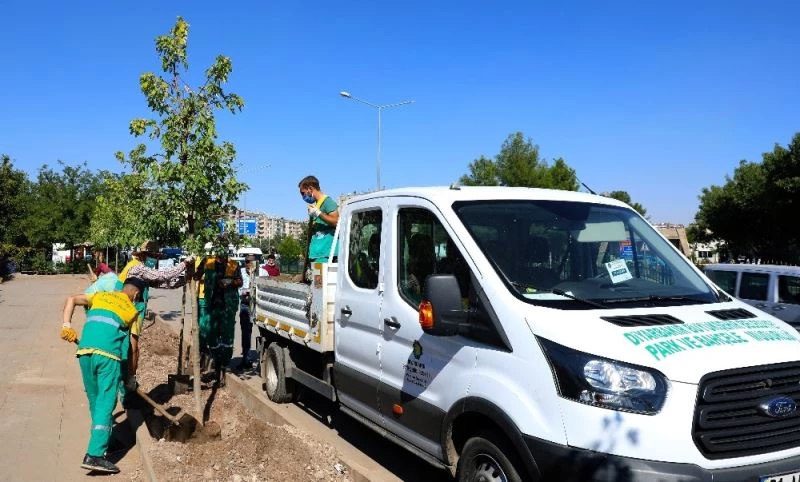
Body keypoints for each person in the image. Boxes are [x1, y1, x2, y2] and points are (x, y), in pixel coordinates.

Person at [60, 277, 146, 474]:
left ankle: (105, 441)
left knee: (95, 400)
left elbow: (71, 299)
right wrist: (130, 376)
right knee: (106, 403)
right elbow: (132, 347)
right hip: (108, 357)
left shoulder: (101, 296)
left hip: (85, 353)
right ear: (136, 294)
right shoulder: (133, 310)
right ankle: (95, 455)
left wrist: (66, 326)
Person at [117, 240, 194, 405]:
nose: (155, 260)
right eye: (152, 256)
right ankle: (127, 391)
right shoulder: (137, 267)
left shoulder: (144, 271)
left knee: (131, 349)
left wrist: (186, 278)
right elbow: (162, 275)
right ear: (144, 256)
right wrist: (184, 263)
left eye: (156, 257)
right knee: (130, 350)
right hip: (126, 312)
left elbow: (165, 283)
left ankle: (128, 387)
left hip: (132, 312)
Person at [195, 245, 243, 384]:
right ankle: (216, 360)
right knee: (211, 334)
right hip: (212, 304)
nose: (222, 255)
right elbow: (196, 275)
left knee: (227, 337)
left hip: (228, 306)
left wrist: (230, 282)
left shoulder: (234, 264)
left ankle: (223, 365)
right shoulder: (208, 262)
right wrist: (193, 268)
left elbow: (240, 281)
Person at [298, 175, 339, 263]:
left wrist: (319, 213)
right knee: (316, 276)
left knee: (321, 277)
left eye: (303, 193)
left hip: (326, 254)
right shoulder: (317, 205)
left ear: (310, 189)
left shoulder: (327, 201)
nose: (303, 197)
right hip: (318, 254)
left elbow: (336, 222)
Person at [236, 256, 255, 371]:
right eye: (247, 262)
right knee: (246, 332)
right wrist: (244, 292)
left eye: (252, 261)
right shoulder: (241, 272)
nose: (249, 264)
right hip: (245, 305)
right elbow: (238, 287)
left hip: (258, 305)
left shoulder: (261, 272)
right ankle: (246, 358)